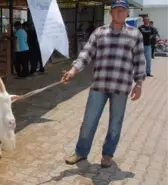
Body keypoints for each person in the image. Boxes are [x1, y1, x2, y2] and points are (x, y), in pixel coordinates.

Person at [62, 0, 146, 168]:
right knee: (88, 121)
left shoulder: (135, 34)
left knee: (115, 124)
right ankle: (80, 152)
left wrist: (139, 84)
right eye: (116, 10)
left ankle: (107, 155)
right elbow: (86, 53)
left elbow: (139, 60)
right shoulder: (99, 32)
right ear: (111, 13)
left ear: (128, 13)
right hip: (99, 86)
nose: (119, 13)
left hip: (121, 87)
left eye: (122, 10)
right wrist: (73, 71)